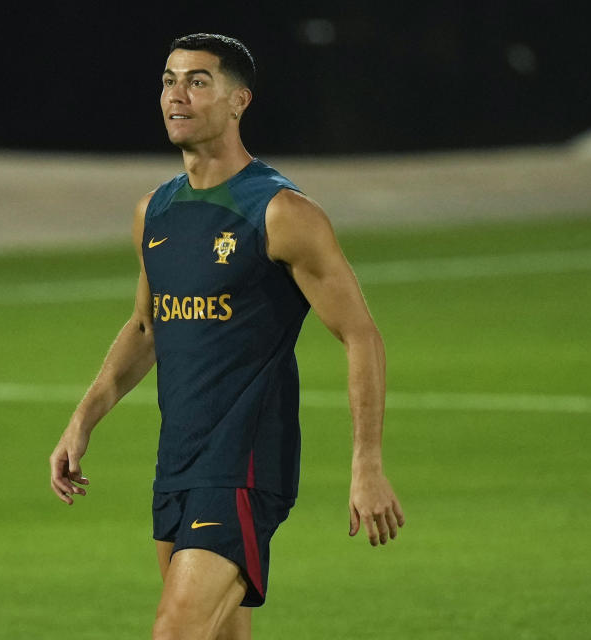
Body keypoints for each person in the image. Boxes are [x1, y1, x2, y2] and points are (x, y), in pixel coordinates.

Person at [49, 33, 405, 640]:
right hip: (179, 461)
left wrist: (366, 464)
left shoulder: (281, 212)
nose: (176, 95)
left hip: (244, 462)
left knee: (175, 632)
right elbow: (145, 325)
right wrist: (83, 420)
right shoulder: (154, 212)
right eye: (168, 80)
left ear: (239, 100)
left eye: (197, 81)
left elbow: (362, 337)